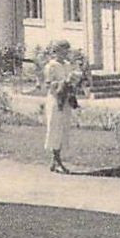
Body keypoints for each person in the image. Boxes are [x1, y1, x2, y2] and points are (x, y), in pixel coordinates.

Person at [42, 46, 78, 174]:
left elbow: (71, 79)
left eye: (66, 51)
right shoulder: (51, 66)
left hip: (66, 99)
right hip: (56, 99)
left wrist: (72, 83)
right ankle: (58, 161)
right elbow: (49, 84)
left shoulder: (67, 65)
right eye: (61, 51)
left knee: (63, 129)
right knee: (55, 128)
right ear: (55, 52)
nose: (64, 53)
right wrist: (62, 83)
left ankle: (54, 160)